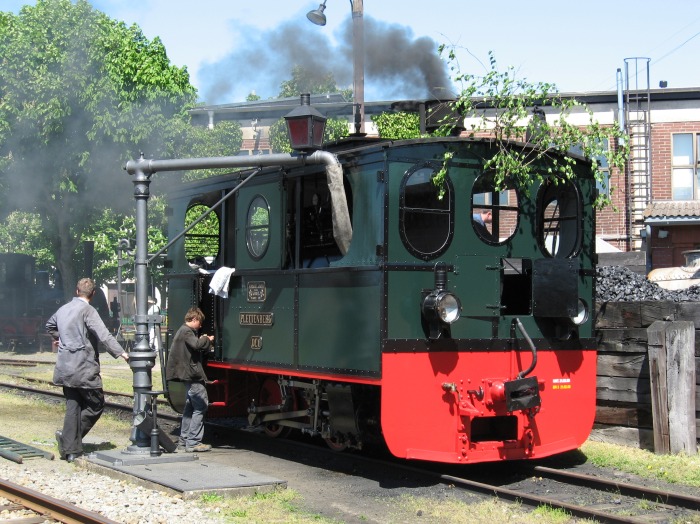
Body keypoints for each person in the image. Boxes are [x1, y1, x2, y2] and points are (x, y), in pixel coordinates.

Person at [46, 278, 129, 463]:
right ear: (92, 294)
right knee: (96, 405)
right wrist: (123, 353)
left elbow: (49, 325)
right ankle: (69, 442)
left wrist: (60, 339)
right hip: (83, 368)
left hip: (65, 367)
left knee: (72, 406)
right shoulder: (88, 311)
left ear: (77, 291)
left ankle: (70, 448)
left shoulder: (63, 309)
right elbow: (104, 335)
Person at [165, 307, 214, 453]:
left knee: (189, 408)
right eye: (200, 322)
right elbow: (197, 345)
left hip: (187, 375)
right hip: (192, 375)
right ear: (194, 319)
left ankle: (184, 440)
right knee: (201, 406)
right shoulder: (186, 331)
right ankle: (193, 442)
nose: (200, 326)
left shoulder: (182, 331)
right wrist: (207, 339)